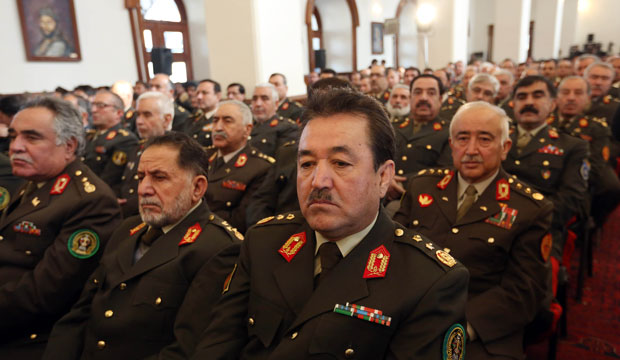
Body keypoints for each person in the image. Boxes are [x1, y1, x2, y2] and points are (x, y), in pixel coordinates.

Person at [192, 87, 469, 359]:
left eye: (340, 163)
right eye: (307, 164)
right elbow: (219, 343)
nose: (318, 181)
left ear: (383, 177)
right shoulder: (264, 242)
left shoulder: (427, 280)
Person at [42, 132, 241, 359]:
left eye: (159, 177)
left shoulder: (218, 248)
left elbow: (187, 350)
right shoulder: (128, 230)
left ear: (197, 188)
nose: (143, 189)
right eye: (140, 177)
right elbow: (80, 314)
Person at [394, 101, 553, 359]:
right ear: (451, 144)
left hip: (480, 326)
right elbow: (394, 251)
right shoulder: (422, 185)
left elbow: (524, 291)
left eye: (485, 139)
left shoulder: (530, 208)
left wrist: (459, 327)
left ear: (505, 148)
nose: (471, 150)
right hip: (410, 310)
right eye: (462, 138)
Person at [0, 97, 121, 358]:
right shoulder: (36, 180)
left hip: (33, 337)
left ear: (69, 146)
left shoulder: (90, 201)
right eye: (13, 136)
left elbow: (43, 294)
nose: (16, 147)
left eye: (31, 138)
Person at [502, 76, 588, 259]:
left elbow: (568, 201)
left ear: (553, 104)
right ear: (513, 104)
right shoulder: (496, 139)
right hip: (489, 220)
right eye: (522, 97)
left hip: (539, 228)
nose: (529, 102)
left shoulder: (572, 146)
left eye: (538, 96)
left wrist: (519, 220)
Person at [553, 76, 620, 227]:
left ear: (588, 98)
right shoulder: (544, 122)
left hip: (576, 186)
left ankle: (595, 222)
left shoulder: (597, 128)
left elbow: (595, 168)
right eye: (565, 92)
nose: (570, 98)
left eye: (578, 93)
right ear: (556, 97)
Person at [205, 100, 273, 233]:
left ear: (247, 130)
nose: (218, 127)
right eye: (215, 120)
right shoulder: (201, 156)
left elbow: (241, 222)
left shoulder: (261, 167)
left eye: (227, 121)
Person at [117, 91, 174, 218]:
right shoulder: (138, 147)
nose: (139, 121)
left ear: (166, 119)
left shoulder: (175, 152)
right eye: (138, 115)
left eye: (147, 115)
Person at [82, 90, 138, 195]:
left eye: (101, 106)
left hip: (100, 195)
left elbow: (109, 179)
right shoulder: (89, 136)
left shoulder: (124, 139)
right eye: (93, 105)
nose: (93, 110)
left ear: (119, 113)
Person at [249, 83, 299, 157]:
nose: (258, 104)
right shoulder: (248, 127)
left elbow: (284, 164)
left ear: (276, 104)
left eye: (264, 98)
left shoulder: (287, 128)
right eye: (254, 99)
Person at [184, 79, 222, 146]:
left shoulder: (222, 120)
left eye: (204, 93)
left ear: (218, 96)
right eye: (197, 93)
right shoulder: (192, 119)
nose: (199, 97)